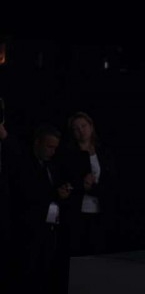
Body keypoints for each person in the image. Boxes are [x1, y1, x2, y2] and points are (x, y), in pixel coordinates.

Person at [5, 123, 74, 294]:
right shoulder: (23, 165)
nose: (52, 151)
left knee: (45, 274)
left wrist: (63, 192)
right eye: (49, 146)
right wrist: (54, 193)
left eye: (55, 148)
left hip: (50, 231)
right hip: (27, 231)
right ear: (37, 143)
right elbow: (26, 193)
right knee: (26, 275)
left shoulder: (52, 166)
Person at [58, 111, 119, 256]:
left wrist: (94, 188)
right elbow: (64, 179)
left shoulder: (103, 152)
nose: (81, 131)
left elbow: (112, 181)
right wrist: (81, 185)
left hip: (101, 209)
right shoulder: (69, 153)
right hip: (77, 211)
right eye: (76, 128)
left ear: (91, 127)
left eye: (83, 126)